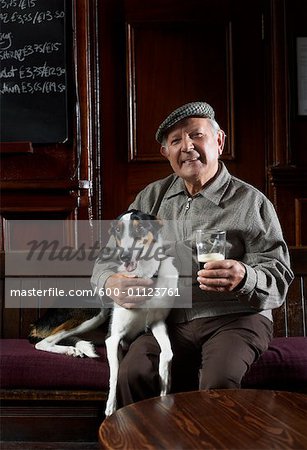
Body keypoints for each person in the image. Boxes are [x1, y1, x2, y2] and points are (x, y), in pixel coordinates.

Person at [91, 101, 293, 407]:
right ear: (166, 153)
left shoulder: (251, 202)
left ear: (219, 141)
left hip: (235, 319)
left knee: (218, 383)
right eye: (176, 141)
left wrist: (245, 277)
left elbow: (279, 275)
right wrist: (111, 283)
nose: (187, 147)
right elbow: (105, 263)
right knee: (134, 372)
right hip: (167, 320)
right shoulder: (150, 198)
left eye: (196, 135)